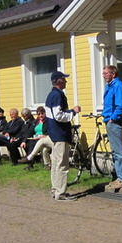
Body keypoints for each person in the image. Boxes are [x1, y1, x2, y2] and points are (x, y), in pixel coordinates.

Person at [46, 71, 80, 201]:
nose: (66, 81)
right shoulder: (57, 95)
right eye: (64, 79)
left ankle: (55, 190)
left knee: (56, 164)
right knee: (62, 164)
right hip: (60, 134)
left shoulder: (51, 95)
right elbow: (58, 115)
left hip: (54, 134)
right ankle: (60, 193)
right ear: (58, 81)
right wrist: (73, 112)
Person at [102, 65, 122, 189]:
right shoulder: (109, 86)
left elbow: (120, 106)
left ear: (113, 74)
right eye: (103, 73)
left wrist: (113, 118)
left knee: (119, 151)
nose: (103, 76)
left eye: (105, 73)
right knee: (115, 151)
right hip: (109, 120)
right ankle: (119, 177)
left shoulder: (118, 86)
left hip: (115, 121)